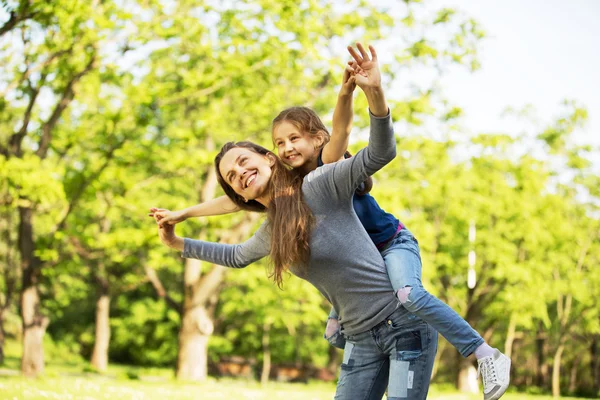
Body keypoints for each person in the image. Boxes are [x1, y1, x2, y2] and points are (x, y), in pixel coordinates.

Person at [152, 43, 511, 400]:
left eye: (245, 161)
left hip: (402, 312)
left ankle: (483, 355)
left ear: (270, 160)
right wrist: (177, 239)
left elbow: (370, 146)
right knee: (335, 327)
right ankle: (337, 319)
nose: (241, 173)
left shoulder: (320, 181)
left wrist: (371, 93)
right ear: (240, 195)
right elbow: (235, 254)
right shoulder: (274, 229)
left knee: (407, 291)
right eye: (232, 176)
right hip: (361, 337)